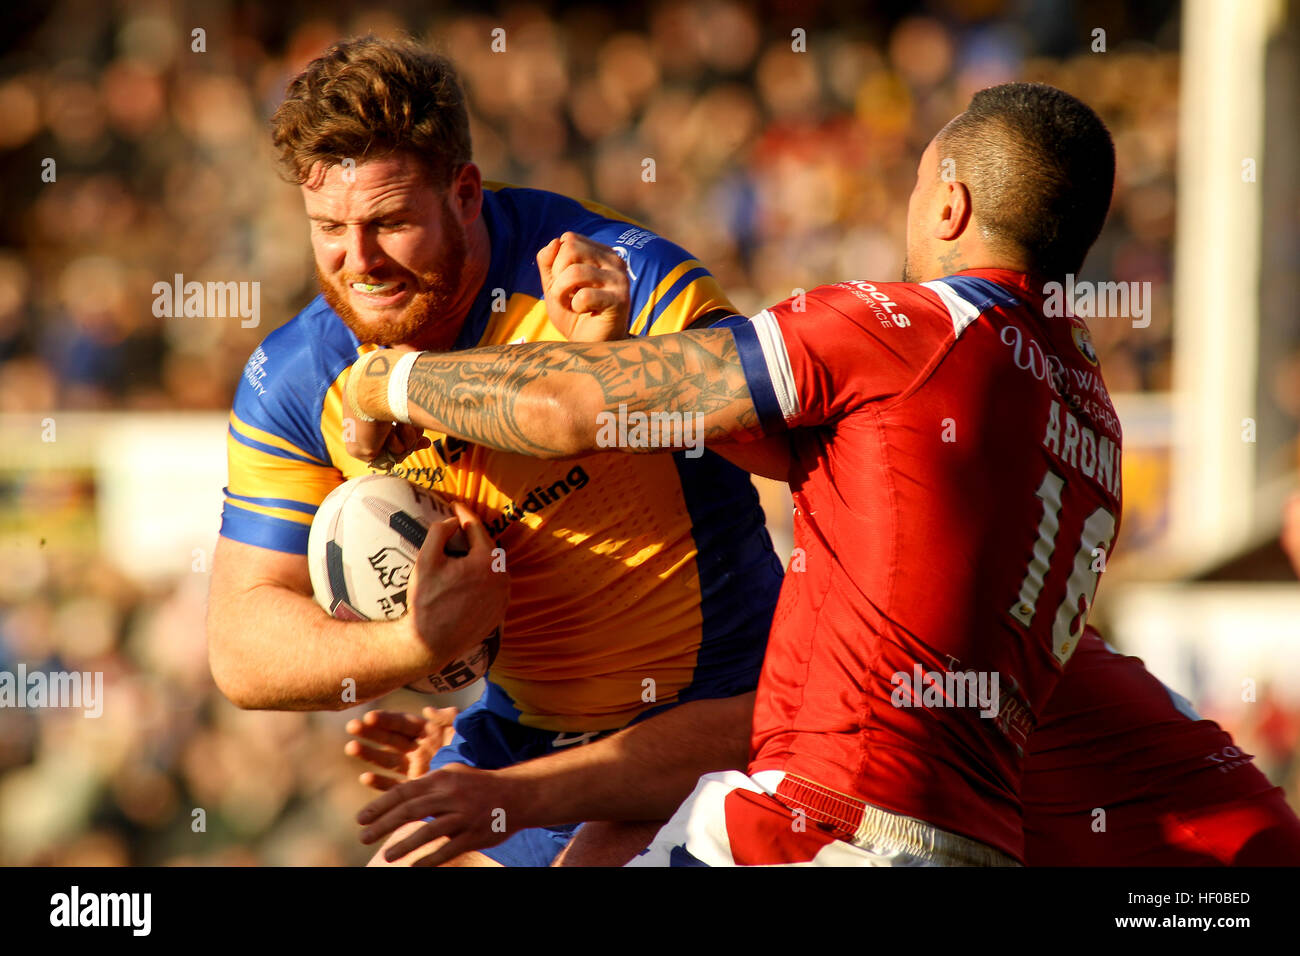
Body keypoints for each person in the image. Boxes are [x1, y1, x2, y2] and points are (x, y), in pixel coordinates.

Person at [346, 81, 1300, 867]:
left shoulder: (916, 329)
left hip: (830, 824)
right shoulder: (1085, 406)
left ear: (951, 203)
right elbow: (759, 435)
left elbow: (565, 411)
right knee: (605, 841)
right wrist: (627, 342)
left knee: (601, 847)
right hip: (969, 841)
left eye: (916, 183)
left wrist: (393, 381)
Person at [206, 35, 784, 867]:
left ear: (466, 193)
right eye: (328, 227)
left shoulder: (611, 276)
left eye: (391, 222)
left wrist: (405, 385)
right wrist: (414, 646)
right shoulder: (298, 376)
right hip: (518, 737)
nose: (357, 262)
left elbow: (780, 435)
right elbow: (241, 646)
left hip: (729, 719)